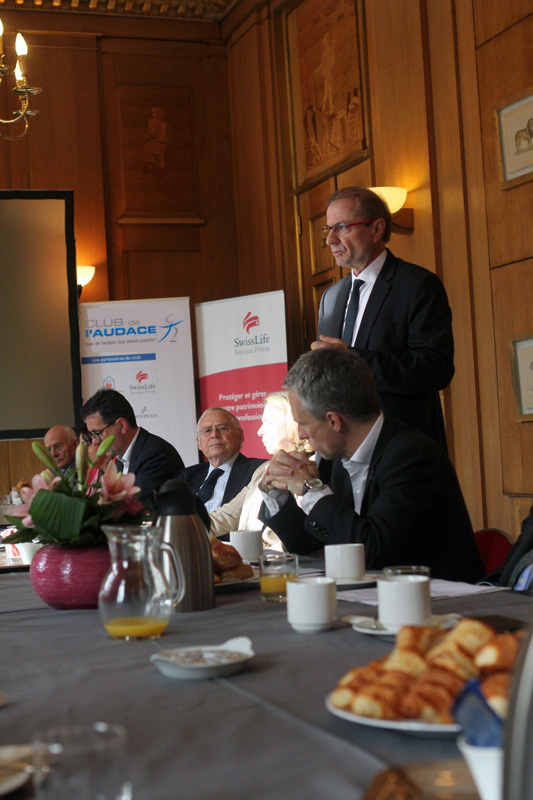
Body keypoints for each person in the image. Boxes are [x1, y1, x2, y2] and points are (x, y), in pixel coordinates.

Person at [258, 348, 483, 583]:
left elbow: (373, 552)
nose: (302, 435)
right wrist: (277, 492)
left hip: (441, 606)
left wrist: (312, 489)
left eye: (303, 423)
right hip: (377, 601)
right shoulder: (339, 459)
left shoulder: (413, 456)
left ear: (334, 421)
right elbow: (313, 544)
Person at [313, 186, 454, 449]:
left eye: (342, 227)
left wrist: (353, 361)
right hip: (342, 455)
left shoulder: (417, 285)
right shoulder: (330, 298)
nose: (330, 239)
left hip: (402, 450)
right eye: (328, 229)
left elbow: (436, 369)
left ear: (377, 229)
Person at [209, 392, 313, 549]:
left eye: (268, 422)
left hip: (284, 567)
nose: (260, 431)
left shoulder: (313, 470)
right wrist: (185, 526)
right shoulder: (262, 470)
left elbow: (302, 538)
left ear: (294, 422)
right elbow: (227, 516)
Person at [81, 389, 184, 510]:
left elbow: (137, 509)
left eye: (97, 433)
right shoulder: (120, 460)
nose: (95, 441)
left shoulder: (154, 454)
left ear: (122, 425)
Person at [177, 408, 265, 512]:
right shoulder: (186, 476)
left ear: (240, 436)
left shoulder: (258, 470)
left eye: (222, 428)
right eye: (207, 431)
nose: (214, 435)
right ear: (199, 443)